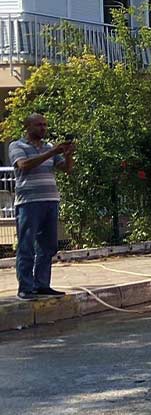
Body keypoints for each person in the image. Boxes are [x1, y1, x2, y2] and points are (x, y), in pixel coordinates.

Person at [8, 113, 74, 300]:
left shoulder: (48, 147)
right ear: (28, 127)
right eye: (39, 125)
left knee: (48, 245)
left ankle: (42, 284)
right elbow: (23, 165)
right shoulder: (17, 146)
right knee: (27, 245)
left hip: (50, 200)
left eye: (45, 125)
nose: (43, 128)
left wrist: (68, 155)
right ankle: (26, 287)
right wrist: (52, 153)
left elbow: (66, 169)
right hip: (29, 202)